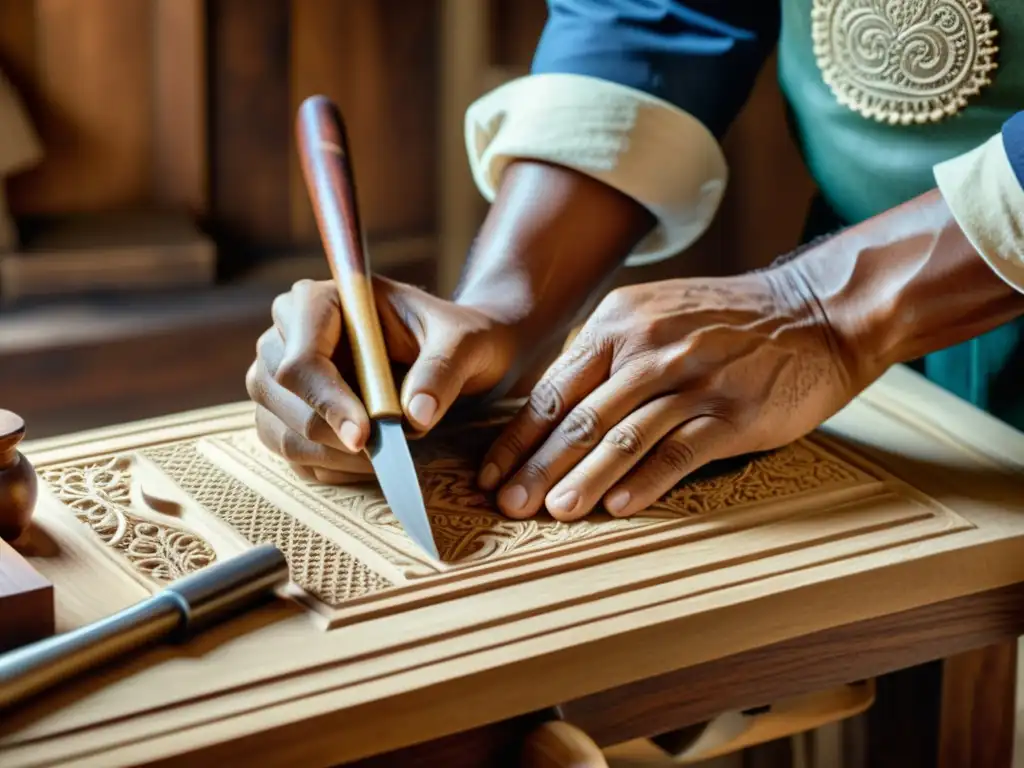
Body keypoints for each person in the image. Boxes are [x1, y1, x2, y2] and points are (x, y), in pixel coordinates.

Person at [247, 0, 1024, 523]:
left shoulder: (821, 312)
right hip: (865, 363)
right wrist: (502, 307)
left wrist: (825, 305)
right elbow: (659, 13)